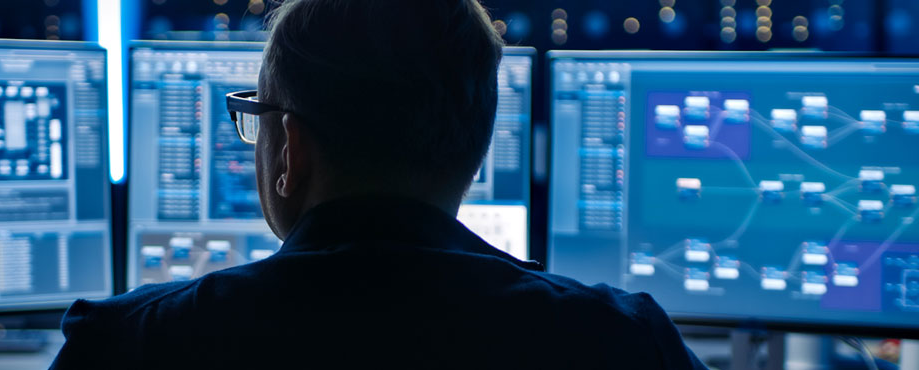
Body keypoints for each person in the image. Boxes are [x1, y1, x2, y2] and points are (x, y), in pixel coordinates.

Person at [52, 0, 707, 368]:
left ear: (293, 150)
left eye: (259, 116)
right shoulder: (623, 346)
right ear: (475, 155)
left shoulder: (127, 349)